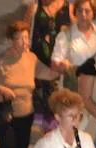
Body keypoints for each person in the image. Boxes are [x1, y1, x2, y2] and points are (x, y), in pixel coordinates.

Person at [30, 0, 72, 134]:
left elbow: (73, 35)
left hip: (58, 65)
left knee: (57, 103)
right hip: (38, 63)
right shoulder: (35, 7)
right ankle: (47, 137)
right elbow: (25, 31)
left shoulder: (67, 8)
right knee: (42, 103)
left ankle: (53, 138)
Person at [52, 0, 96, 80]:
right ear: (75, 12)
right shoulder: (66, 35)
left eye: (87, 11)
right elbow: (54, 64)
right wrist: (62, 66)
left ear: (93, 13)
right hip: (73, 85)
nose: (83, 15)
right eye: (80, 10)